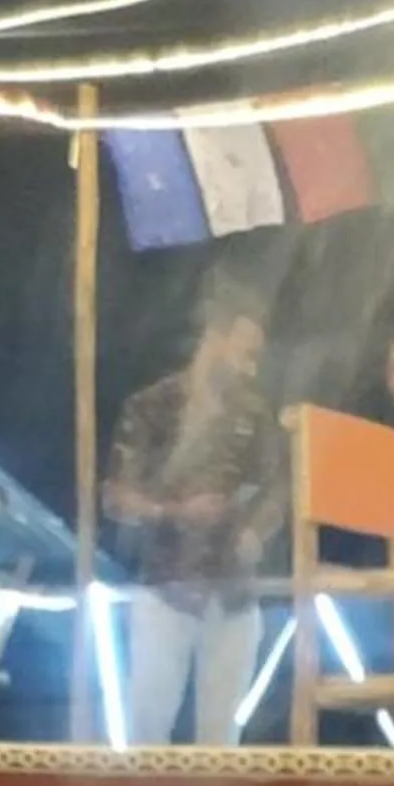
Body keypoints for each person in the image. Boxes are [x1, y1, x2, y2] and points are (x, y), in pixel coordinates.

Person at [105, 286, 286, 750]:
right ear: (214, 339)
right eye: (245, 353)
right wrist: (173, 512)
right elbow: (116, 498)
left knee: (222, 743)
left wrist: (256, 531)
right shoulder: (151, 408)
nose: (251, 367)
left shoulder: (254, 414)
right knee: (146, 734)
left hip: (233, 596)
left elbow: (278, 489)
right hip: (165, 592)